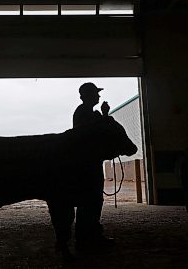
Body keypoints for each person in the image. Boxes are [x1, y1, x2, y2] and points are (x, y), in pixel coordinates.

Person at [72, 82, 114, 251]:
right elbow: (96, 132)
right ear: (88, 96)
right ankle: (87, 239)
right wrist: (104, 115)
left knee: (93, 200)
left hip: (90, 162)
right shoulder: (85, 113)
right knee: (90, 200)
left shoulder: (87, 113)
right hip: (87, 164)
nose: (98, 96)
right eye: (96, 93)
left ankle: (91, 236)